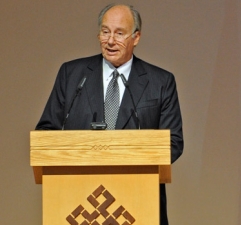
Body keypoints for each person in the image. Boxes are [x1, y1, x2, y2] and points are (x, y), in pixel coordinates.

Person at [35, 3, 183, 225]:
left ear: (136, 37)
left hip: (137, 205)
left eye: (119, 33)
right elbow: (46, 132)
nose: (110, 40)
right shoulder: (72, 75)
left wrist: (122, 158)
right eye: (105, 32)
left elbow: (173, 143)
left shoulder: (160, 82)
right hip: (78, 203)